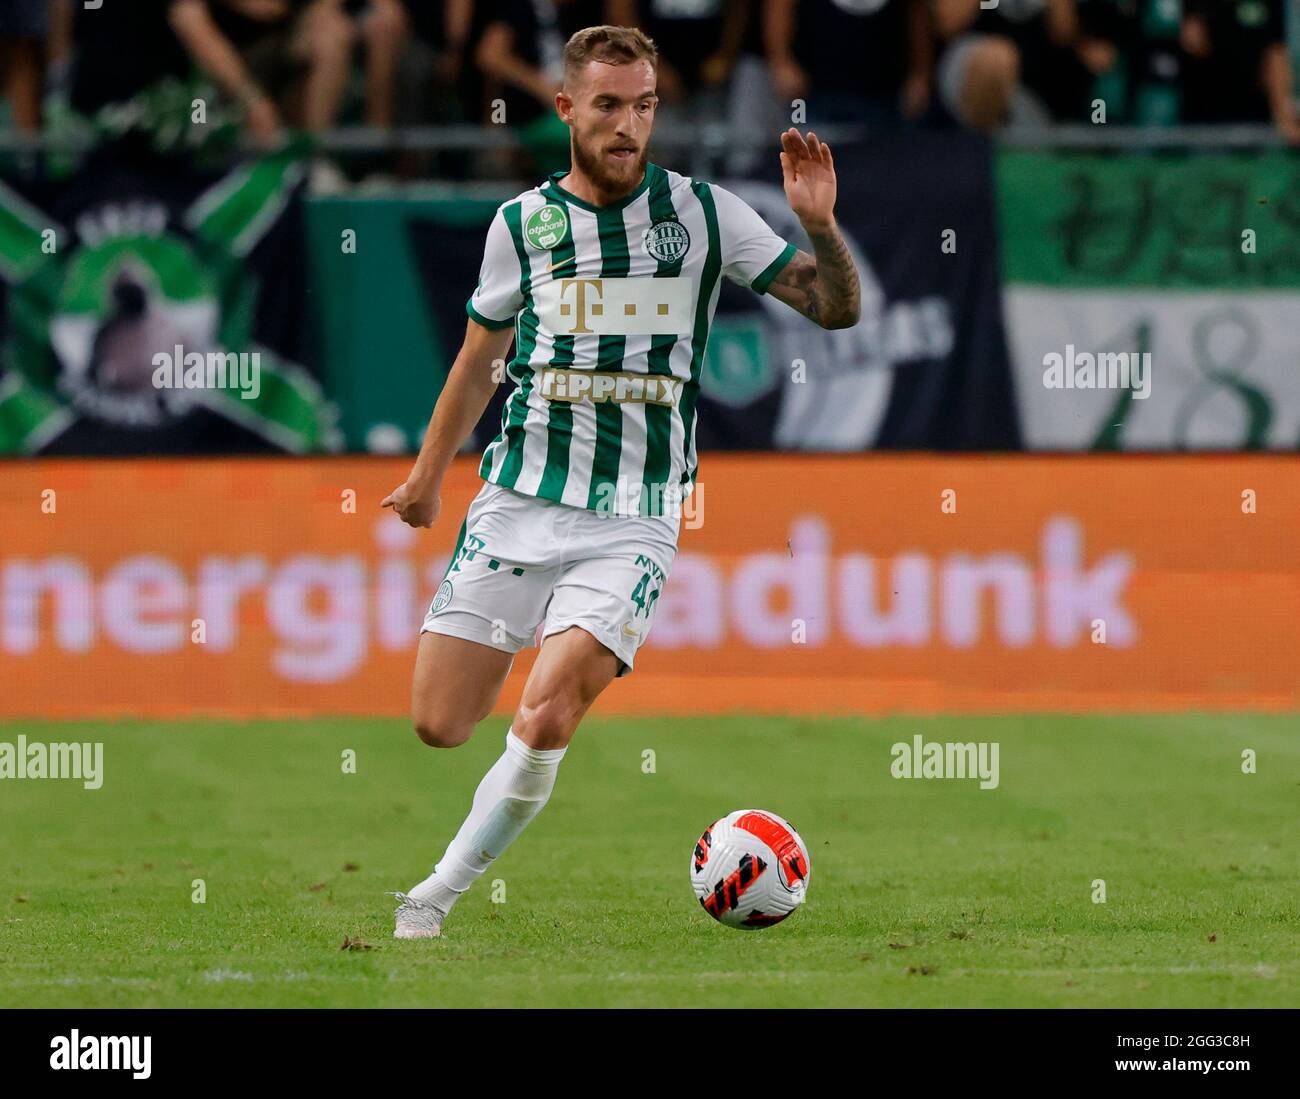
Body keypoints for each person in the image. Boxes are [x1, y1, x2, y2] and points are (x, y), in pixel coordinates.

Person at [379, 24, 860, 940]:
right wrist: (426, 479)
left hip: (633, 519)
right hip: (517, 502)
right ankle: (477, 774)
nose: (628, 125)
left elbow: (836, 308)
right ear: (565, 108)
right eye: (607, 105)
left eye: (643, 106)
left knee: (550, 707)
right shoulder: (521, 226)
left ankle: (429, 899)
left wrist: (822, 228)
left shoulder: (707, 218)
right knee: (440, 723)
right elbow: (478, 362)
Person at [1181, 0, 1300, 144]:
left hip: (1254, 117)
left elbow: (1276, 54)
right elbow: (1193, 42)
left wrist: (1284, 116)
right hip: (1202, 119)